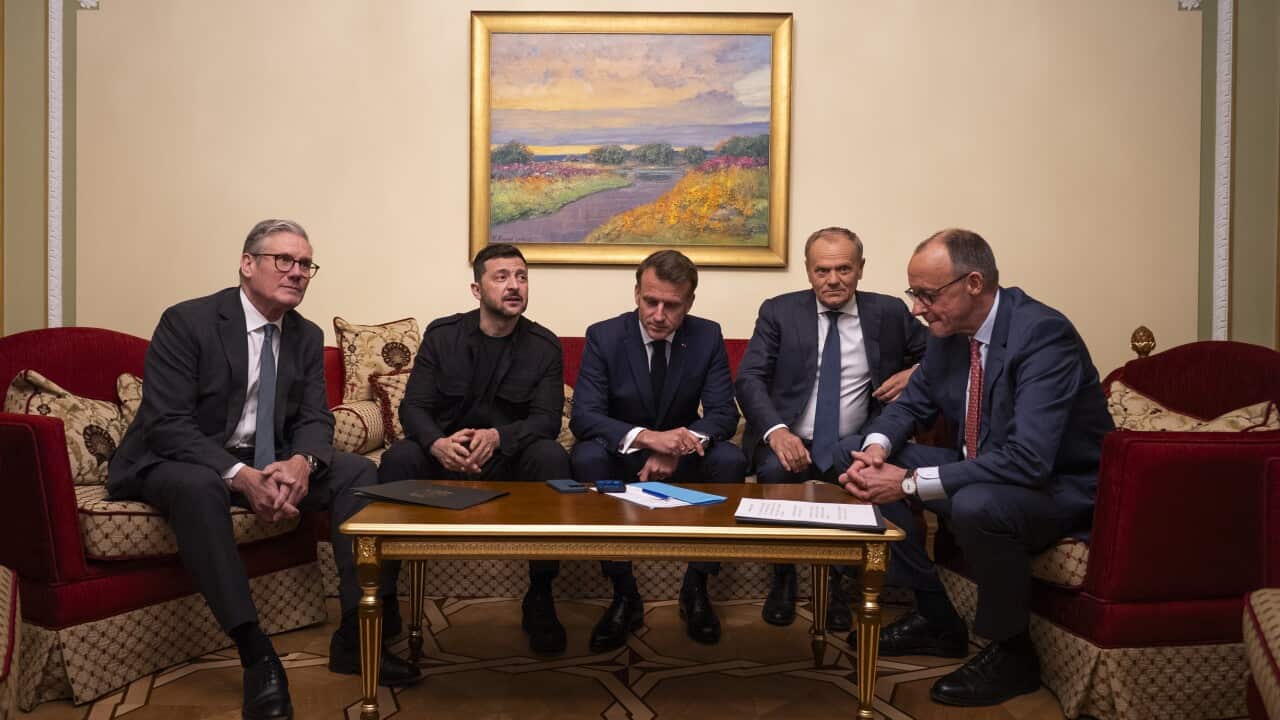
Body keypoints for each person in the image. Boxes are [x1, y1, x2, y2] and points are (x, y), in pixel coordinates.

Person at [108, 219, 420, 720]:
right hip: (179, 460)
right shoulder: (188, 322)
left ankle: (355, 634)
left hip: (263, 459)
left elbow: (315, 418)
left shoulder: (305, 335)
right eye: (285, 261)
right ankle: (256, 652)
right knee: (197, 486)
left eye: (305, 265)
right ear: (247, 264)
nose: (297, 273)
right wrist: (240, 474)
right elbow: (168, 424)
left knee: (357, 473)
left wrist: (302, 462)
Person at [840, 228, 1112, 707]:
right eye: (914, 293)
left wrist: (905, 484)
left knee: (976, 504)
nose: (918, 309)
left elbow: (1029, 460)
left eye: (927, 295)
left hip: (1058, 486)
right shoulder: (948, 334)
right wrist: (877, 450)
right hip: (985, 465)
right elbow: (911, 405)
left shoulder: (1043, 335)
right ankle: (936, 616)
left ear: (973, 283)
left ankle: (1012, 653)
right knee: (854, 460)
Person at [377, 243, 571, 655]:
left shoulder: (544, 345)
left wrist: (500, 437)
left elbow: (547, 420)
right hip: (445, 461)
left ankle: (540, 596)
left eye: (521, 277)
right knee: (399, 457)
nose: (514, 286)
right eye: (501, 277)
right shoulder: (443, 335)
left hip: (508, 463)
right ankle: (387, 595)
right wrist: (437, 443)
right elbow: (414, 406)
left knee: (552, 456)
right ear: (476, 289)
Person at [735, 226, 926, 629]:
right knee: (774, 470)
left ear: (860, 269)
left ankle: (840, 584)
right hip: (786, 437)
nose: (833, 280)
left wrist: (915, 371)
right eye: (822, 270)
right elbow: (750, 377)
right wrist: (776, 431)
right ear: (808, 271)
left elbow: (947, 353)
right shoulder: (779, 311)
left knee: (852, 470)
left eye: (844, 269)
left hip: (855, 439)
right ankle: (783, 580)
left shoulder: (889, 312)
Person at [570, 250, 746, 651]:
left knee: (731, 459)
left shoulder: (707, 335)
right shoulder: (605, 335)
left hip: (682, 453)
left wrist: (678, 447)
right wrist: (651, 438)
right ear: (636, 293)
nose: (659, 315)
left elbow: (723, 414)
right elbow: (585, 416)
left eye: (673, 305)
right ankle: (624, 592)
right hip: (624, 453)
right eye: (651, 301)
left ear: (690, 302)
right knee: (585, 457)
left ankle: (696, 588)